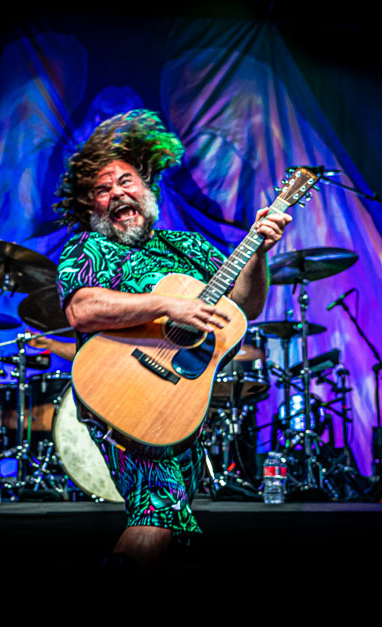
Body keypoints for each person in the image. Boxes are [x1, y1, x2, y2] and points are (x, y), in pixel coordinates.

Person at [54, 110, 289, 568]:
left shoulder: (189, 248)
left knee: (171, 519)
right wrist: (167, 306)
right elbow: (81, 310)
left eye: (125, 181)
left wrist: (258, 251)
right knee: (159, 509)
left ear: (148, 188)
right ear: (89, 207)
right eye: (102, 190)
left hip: (176, 405)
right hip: (118, 395)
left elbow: (245, 308)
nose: (117, 193)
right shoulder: (89, 249)